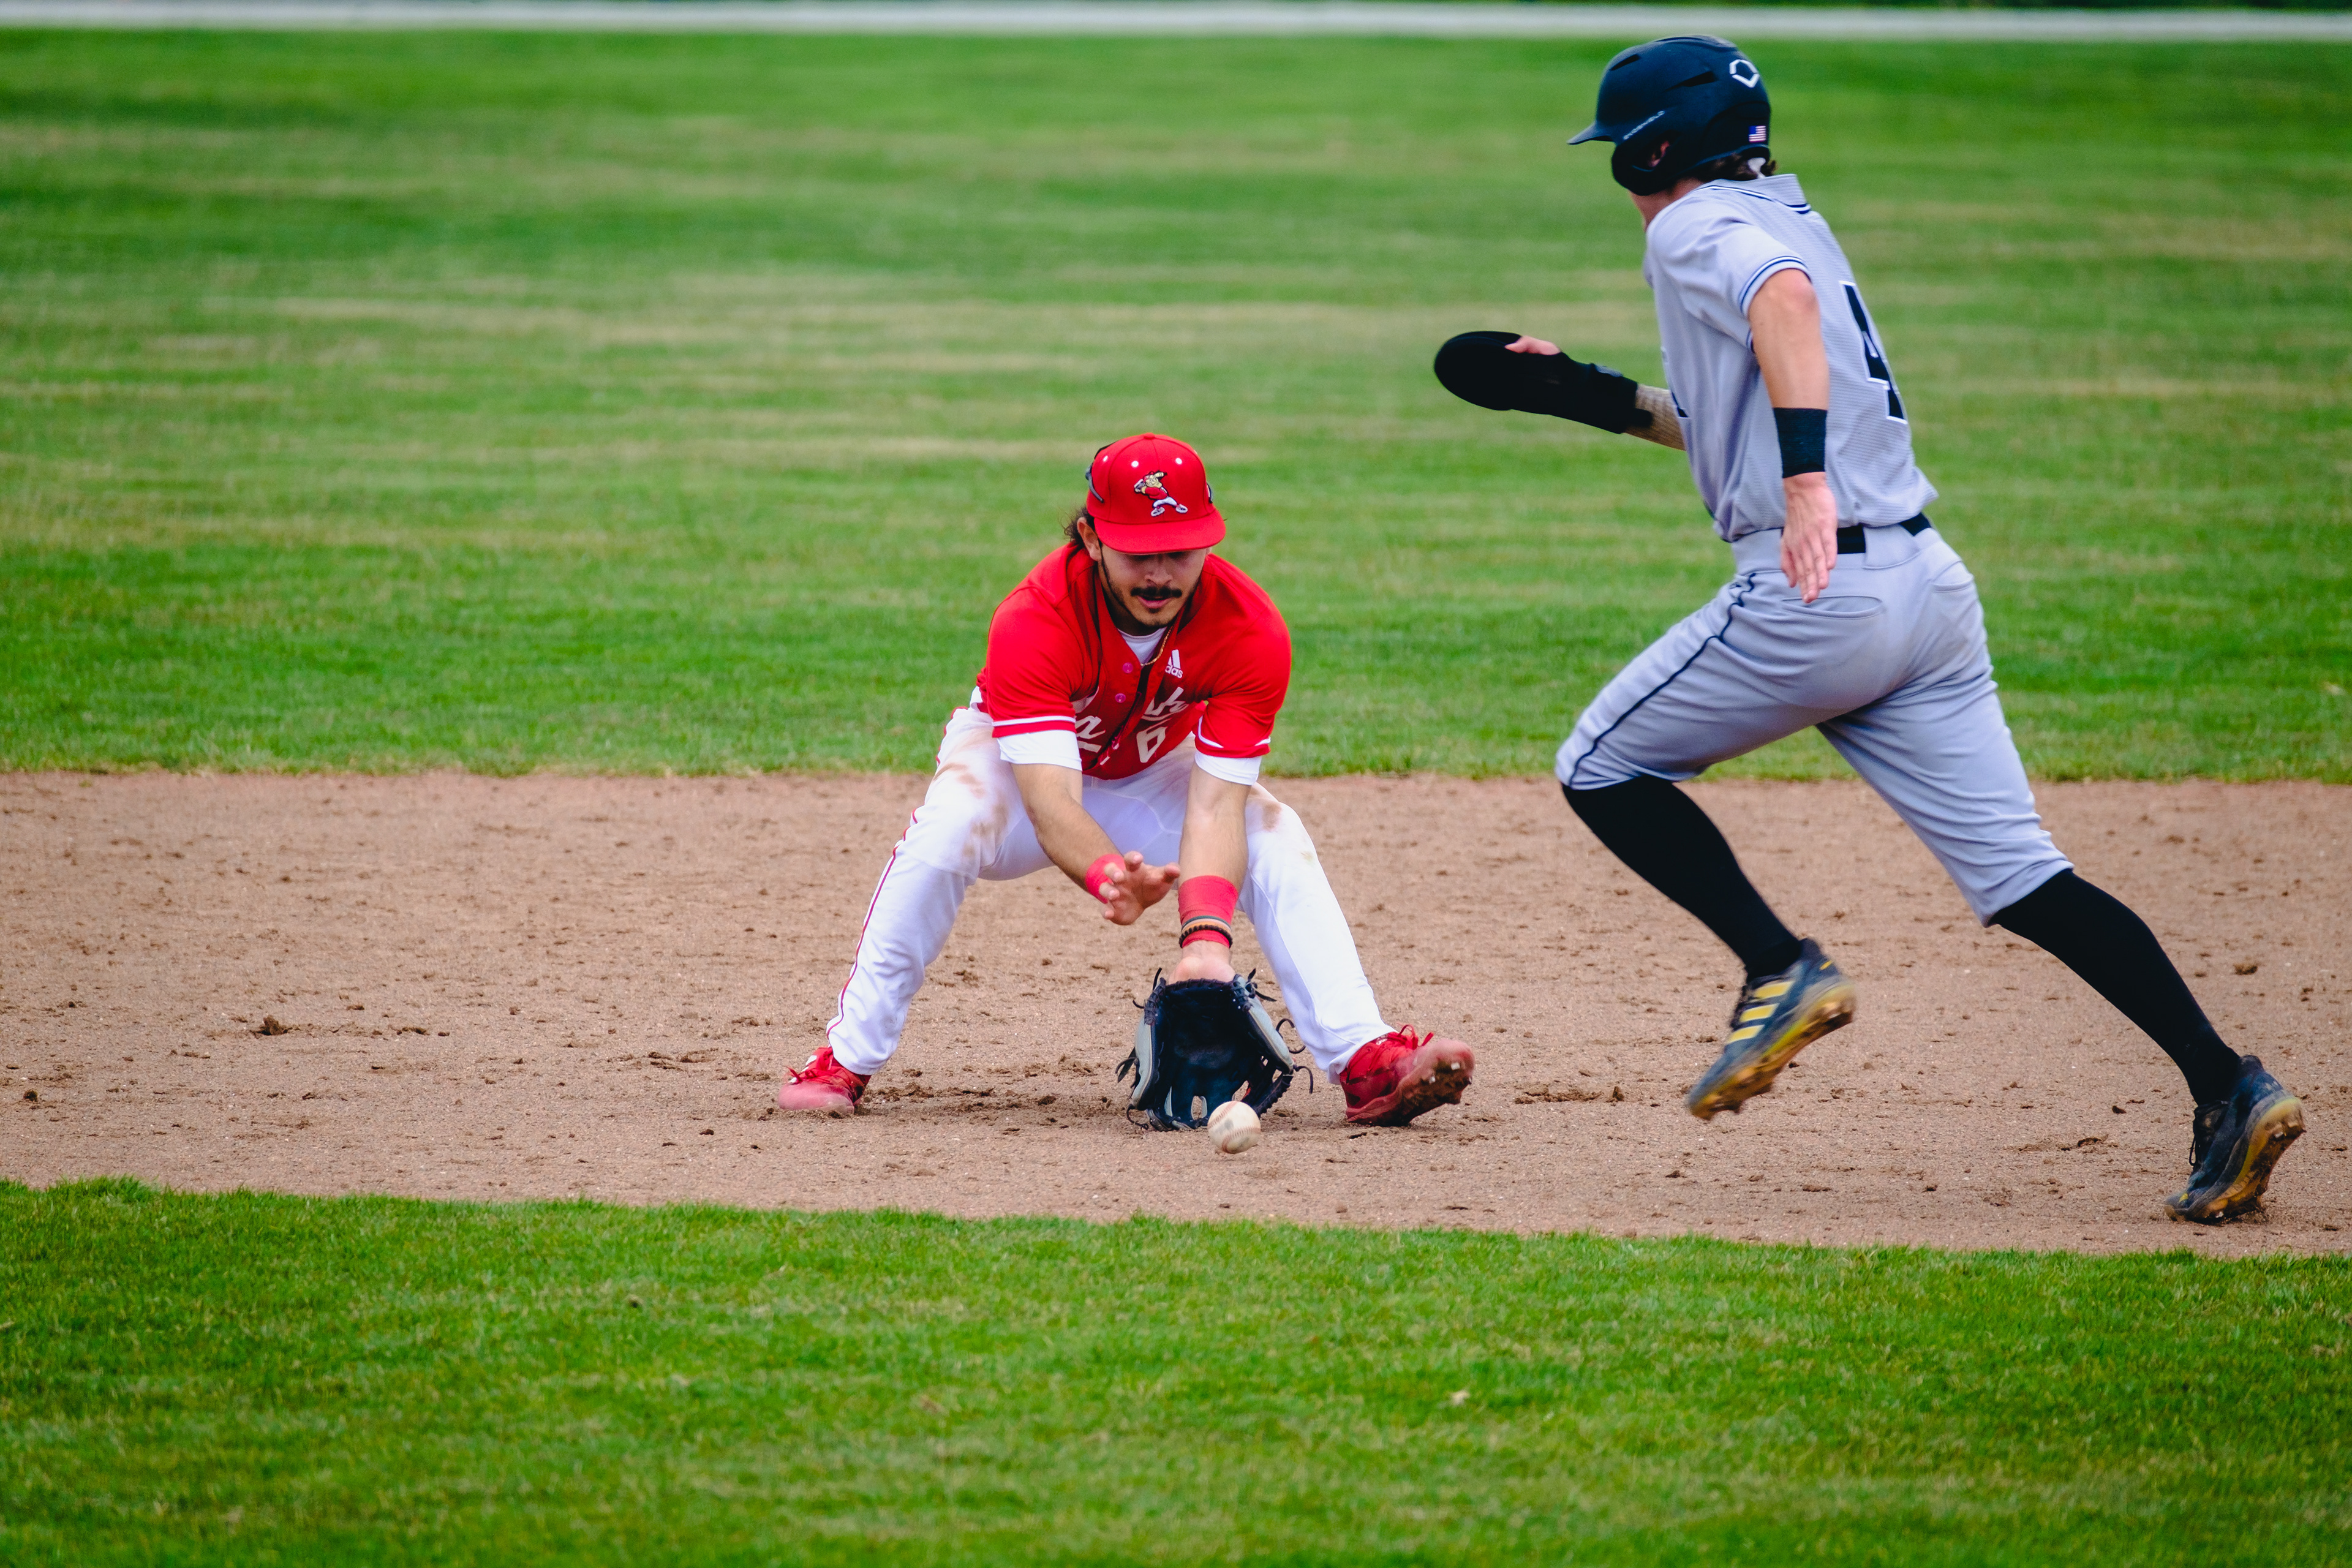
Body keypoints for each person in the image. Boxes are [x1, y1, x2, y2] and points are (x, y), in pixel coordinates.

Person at [1521, 36, 2300, 1222]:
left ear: (1655, 148)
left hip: (1820, 594)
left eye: (1616, 157)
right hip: (1928, 592)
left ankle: (1779, 967)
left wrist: (1803, 490)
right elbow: (1758, 392)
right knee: (2027, 876)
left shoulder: (1692, 226)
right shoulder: (1796, 219)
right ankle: (2227, 1080)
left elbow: (1774, 327)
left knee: (1599, 762)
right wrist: (1593, 394)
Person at [778, 432, 1475, 1126]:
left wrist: (1205, 940)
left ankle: (1365, 1058)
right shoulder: (1036, 619)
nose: (1161, 573)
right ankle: (846, 1056)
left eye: (1181, 549)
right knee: (949, 828)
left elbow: (1214, 807)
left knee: (1273, 829)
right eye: (1140, 551)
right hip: (1017, 774)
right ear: (1090, 536)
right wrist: (1109, 874)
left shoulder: (1248, 628)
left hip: (1150, 774)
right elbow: (1050, 800)